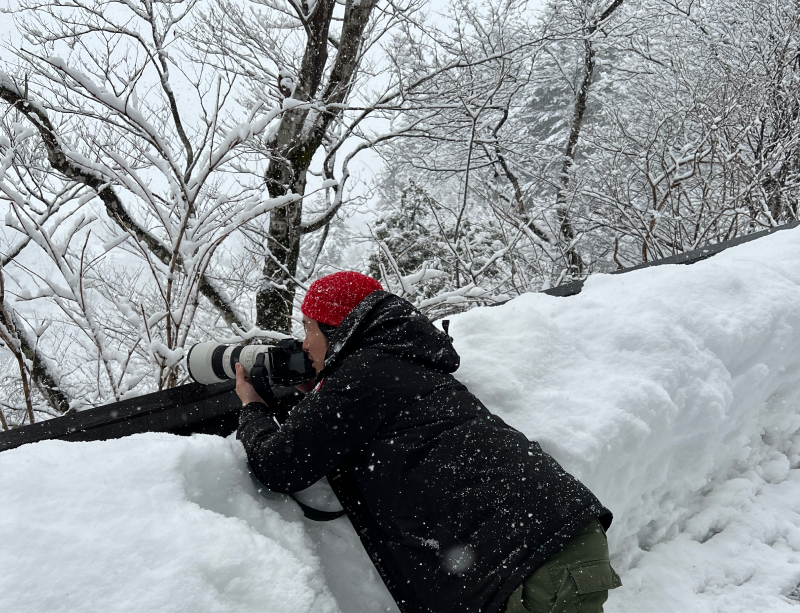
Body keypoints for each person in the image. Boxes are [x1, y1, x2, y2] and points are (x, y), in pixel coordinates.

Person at [235, 271, 621, 613]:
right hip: (554, 538)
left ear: (337, 329)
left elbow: (279, 464)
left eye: (309, 328)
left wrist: (252, 407)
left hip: (534, 561)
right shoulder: (398, 361)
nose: (304, 343)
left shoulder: (363, 375)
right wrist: (320, 393)